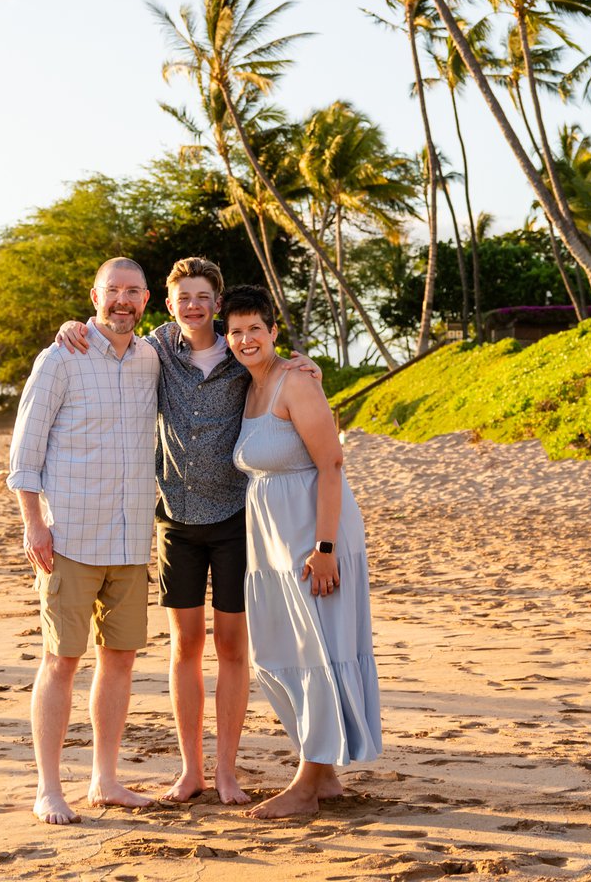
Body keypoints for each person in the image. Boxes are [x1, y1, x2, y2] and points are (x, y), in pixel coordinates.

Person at [56, 257, 319, 804]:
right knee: (184, 647)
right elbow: (109, 328)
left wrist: (305, 364)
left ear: (217, 305)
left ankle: (226, 770)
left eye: (203, 297)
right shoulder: (156, 349)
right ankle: (190, 770)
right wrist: (74, 326)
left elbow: (278, 371)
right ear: (168, 304)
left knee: (229, 646)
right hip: (173, 520)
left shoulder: (240, 355)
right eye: (183, 298)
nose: (193, 306)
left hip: (232, 520)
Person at [6, 257, 161, 825]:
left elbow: (218, 349)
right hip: (67, 535)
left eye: (133, 292)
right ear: (95, 295)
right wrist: (33, 522)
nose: (123, 300)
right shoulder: (59, 358)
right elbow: (25, 454)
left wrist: (299, 366)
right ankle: (48, 787)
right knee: (60, 660)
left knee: (118, 661)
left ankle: (105, 780)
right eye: (113, 290)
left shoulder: (153, 357)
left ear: (147, 299)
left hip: (129, 539)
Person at [223, 283, 381, 819]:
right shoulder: (249, 388)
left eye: (256, 330)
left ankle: (307, 785)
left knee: (320, 651)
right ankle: (327, 775)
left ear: (273, 332)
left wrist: (326, 548)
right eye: (236, 331)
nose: (246, 339)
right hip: (270, 544)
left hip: (314, 537)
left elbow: (332, 465)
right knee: (285, 653)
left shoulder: (297, 383)